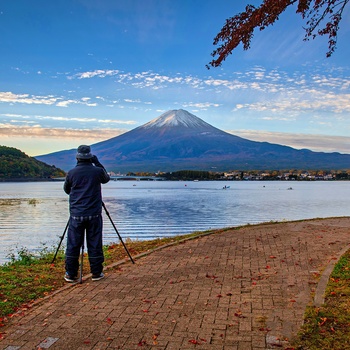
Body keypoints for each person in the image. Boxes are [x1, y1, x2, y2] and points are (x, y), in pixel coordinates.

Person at [63, 145, 110, 282]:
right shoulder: (97, 171)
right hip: (94, 214)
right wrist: (97, 162)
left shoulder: (71, 173)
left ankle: (71, 274)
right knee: (95, 242)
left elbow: (67, 190)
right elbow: (106, 178)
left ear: (77, 157)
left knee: (73, 244)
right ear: (90, 157)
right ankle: (96, 272)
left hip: (76, 214)